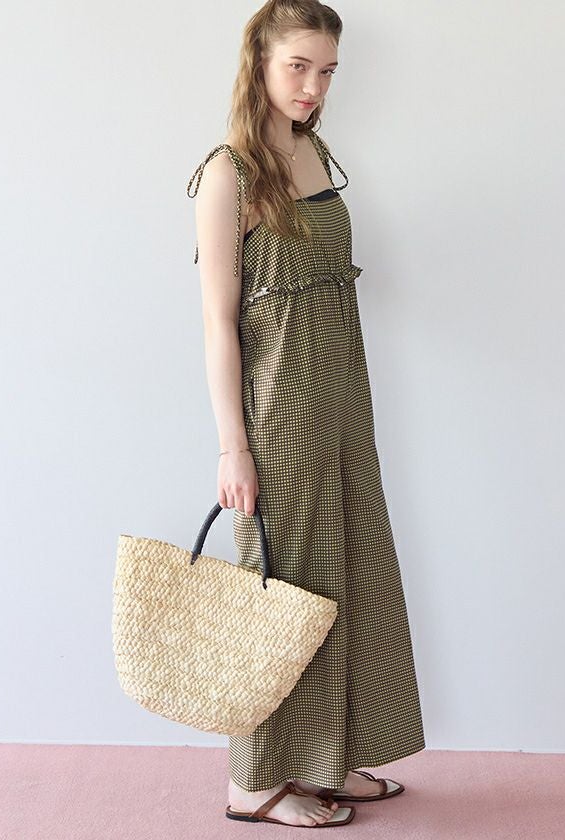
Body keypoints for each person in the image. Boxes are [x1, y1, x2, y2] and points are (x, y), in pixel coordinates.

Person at [186, 0, 426, 828]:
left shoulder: (316, 152)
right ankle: (253, 782)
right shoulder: (229, 174)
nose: (314, 86)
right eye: (299, 66)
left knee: (344, 577)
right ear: (258, 61)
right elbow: (217, 322)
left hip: (344, 400)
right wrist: (233, 447)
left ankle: (323, 759)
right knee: (280, 595)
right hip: (279, 412)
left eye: (327, 71)